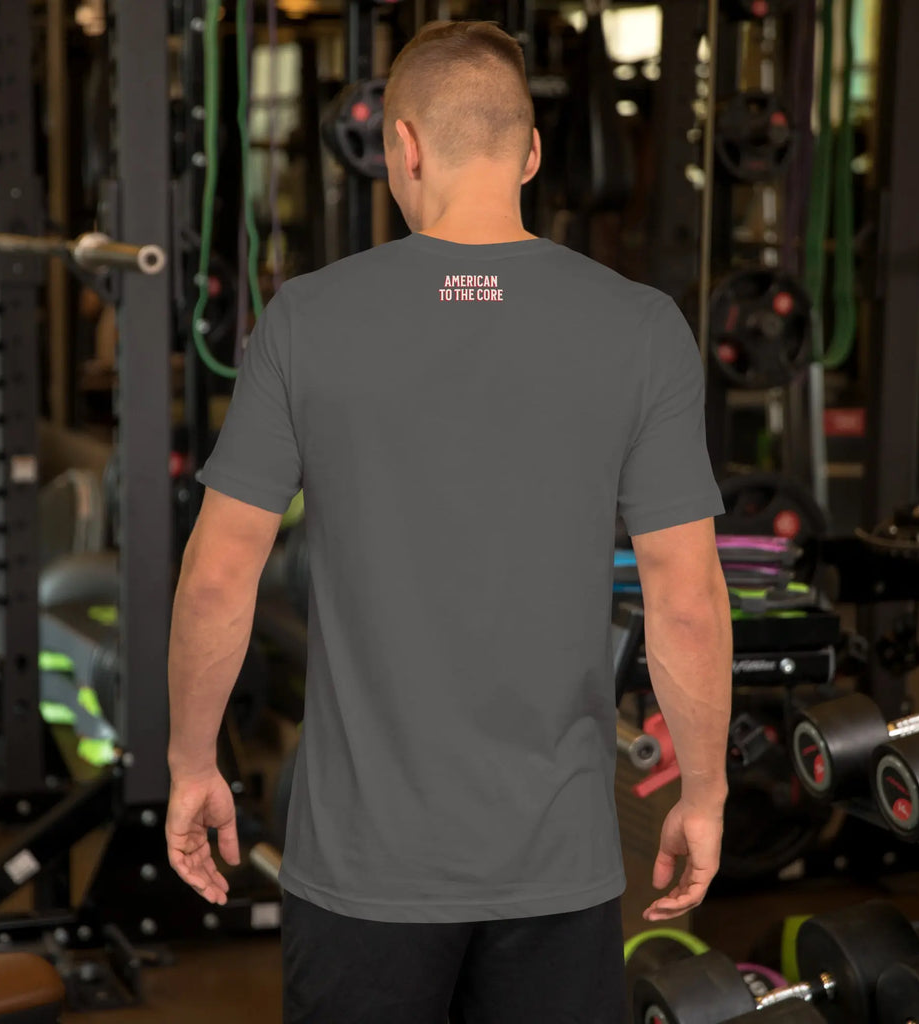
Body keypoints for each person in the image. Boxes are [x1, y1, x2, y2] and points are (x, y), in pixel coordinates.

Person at [165, 20, 732, 1024]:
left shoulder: (306, 317)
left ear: (402, 146)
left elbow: (217, 577)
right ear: (532, 152)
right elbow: (683, 597)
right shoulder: (639, 328)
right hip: (557, 864)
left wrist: (193, 764)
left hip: (362, 867)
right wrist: (706, 790)